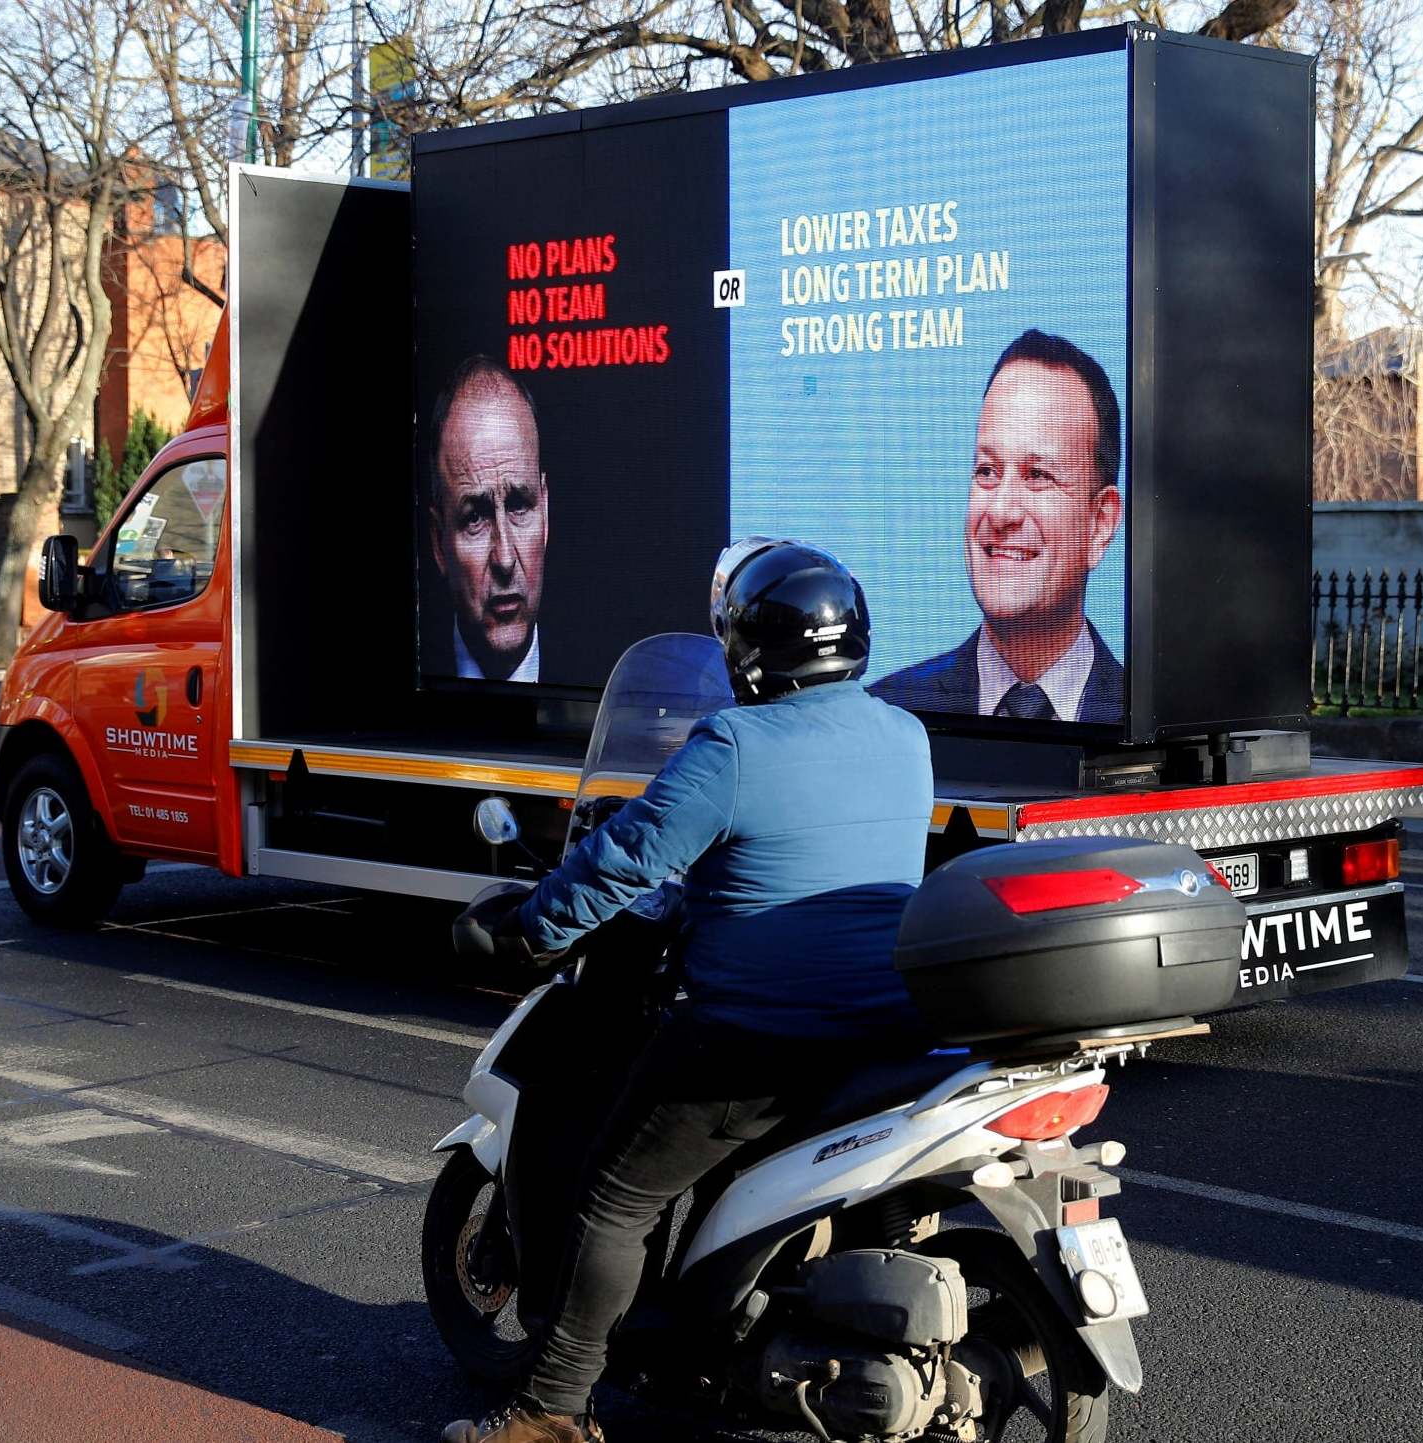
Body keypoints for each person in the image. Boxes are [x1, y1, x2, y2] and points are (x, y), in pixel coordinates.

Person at [441, 538, 935, 1443]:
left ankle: (549, 1413)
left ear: (747, 650)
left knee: (613, 1198)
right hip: (884, 1030)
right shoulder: (906, 735)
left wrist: (529, 928)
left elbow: (627, 857)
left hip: (757, 1038)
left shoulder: (736, 744)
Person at [870, 328, 1125, 724]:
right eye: (987, 471)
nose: (1001, 512)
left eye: (1038, 475)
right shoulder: (887, 718)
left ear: (1099, 524)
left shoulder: (1149, 717)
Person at [428, 356, 550, 682]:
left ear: (545, 512)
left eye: (519, 507)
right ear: (439, 542)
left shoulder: (615, 675)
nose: (505, 560)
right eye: (475, 518)